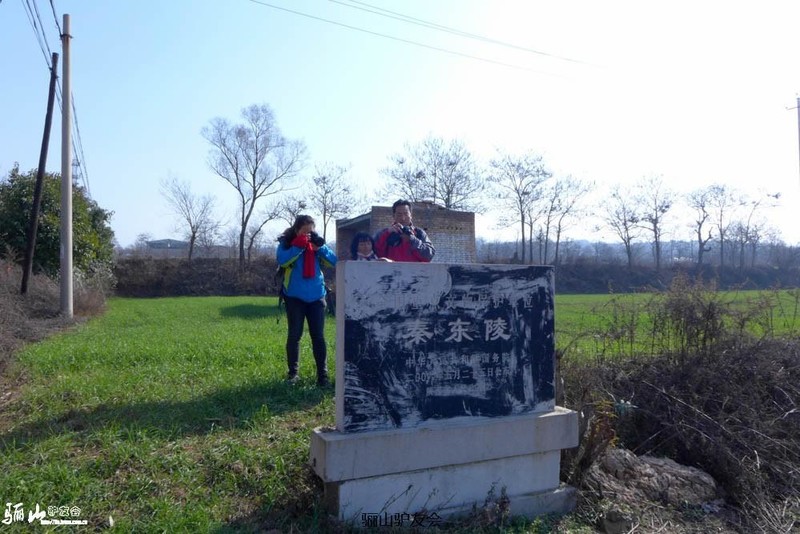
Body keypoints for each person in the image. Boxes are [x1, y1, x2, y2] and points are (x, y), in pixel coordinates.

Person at [276, 215, 337, 387]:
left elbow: (334, 261)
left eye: (311, 231)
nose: (308, 235)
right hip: (294, 297)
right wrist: (298, 247)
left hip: (317, 296)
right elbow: (282, 260)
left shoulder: (317, 243)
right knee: (294, 335)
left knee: (318, 336)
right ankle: (293, 374)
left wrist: (320, 248)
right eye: (304, 231)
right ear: (297, 230)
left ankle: (323, 376)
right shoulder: (287, 243)